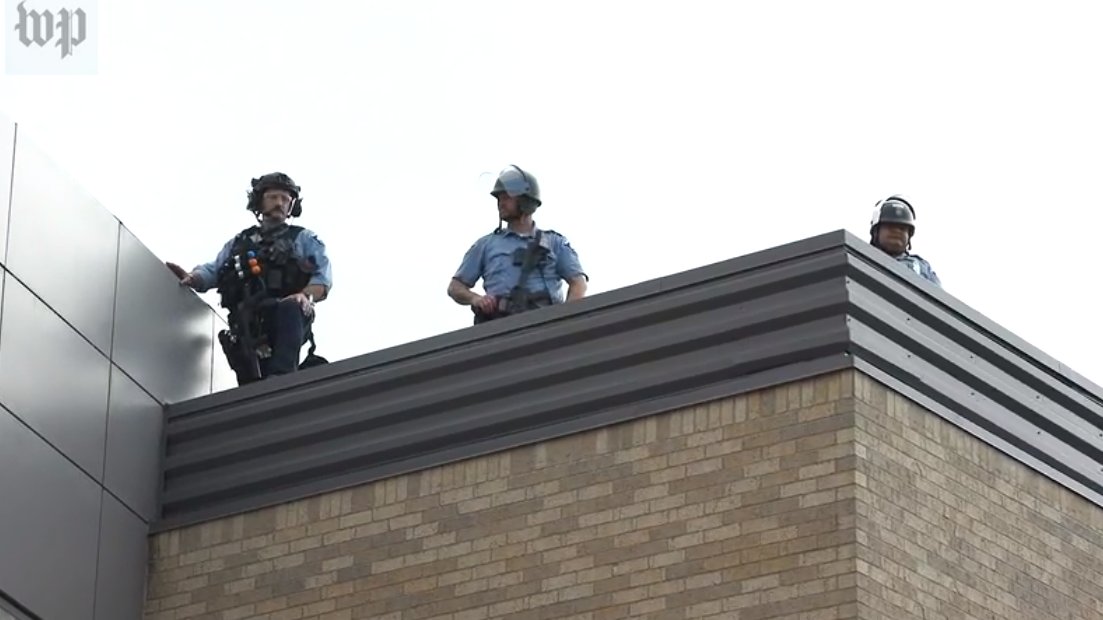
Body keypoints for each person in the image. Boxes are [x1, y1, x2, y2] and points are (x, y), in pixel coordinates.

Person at [166, 172, 333, 385]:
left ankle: (283, 379)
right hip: (249, 322)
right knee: (250, 385)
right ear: (259, 201)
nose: (279, 203)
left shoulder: (303, 239)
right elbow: (214, 270)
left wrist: (304, 296)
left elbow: (323, 279)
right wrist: (193, 277)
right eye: (273, 197)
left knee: (289, 316)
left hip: (286, 316)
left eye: (285, 200)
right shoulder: (240, 242)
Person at [448, 165, 588, 323]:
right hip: (499, 327)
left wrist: (565, 320)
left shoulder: (554, 243)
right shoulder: (485, 245)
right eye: (499, 199)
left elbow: (578, 284)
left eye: (507, 197)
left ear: (525, 201)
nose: (501, 203)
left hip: (545, 325)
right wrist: (476, 299)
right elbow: (455, 287)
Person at [868, 194, 941, 286]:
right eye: (891, 226)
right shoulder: (862, 259)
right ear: (876, 232)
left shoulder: (922, 267)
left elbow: (940, 297)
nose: (897, 231)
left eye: (902, 228)